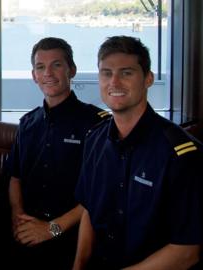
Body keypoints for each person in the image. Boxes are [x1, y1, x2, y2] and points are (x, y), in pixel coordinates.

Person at [73, 36, 202, 269]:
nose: (114, 82)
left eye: (126, 73)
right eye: (106, 73)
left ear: (148, 79)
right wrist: (79, 265)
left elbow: (187, 251)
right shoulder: (94, 140)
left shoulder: (181, 154)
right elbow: (90, 212)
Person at [7, 37, 109, 268]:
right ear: (34, 75)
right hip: (27, 232)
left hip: (72, 237)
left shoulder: (96, 125)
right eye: (40, 67)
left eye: (57, 65)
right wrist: (17, 215)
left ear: (72, 70)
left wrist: (51, 229)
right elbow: (15, 177)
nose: (48, 74)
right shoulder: (27, 123)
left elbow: (98, 194)